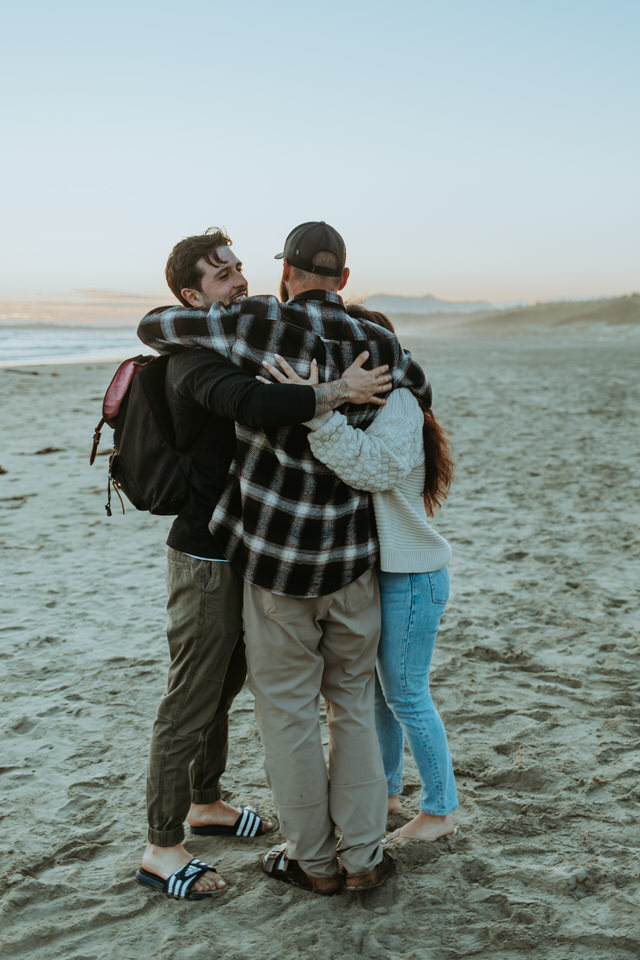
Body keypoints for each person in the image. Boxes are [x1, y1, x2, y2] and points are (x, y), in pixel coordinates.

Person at [137, 221, 431, 893]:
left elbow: (156, 326)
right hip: (346, 561)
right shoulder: (379, 340)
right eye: (222, 273)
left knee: (289, 713)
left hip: (273, 567)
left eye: (242, 271)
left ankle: (311, 859)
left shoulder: (255, 326)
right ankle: (361, 858)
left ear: (284, 275)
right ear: (345, 279)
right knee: (350, 704)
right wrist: (347, 392)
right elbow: (417, 391)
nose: (237, 280)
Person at [262, 304, 458, 843]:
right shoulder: (376, 404)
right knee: (378, 695)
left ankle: (440, 811)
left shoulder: (399, 402)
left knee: (407, 695)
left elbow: (373, 468)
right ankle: (389, 792)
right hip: (386, 576)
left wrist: (318, 413)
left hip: (412, 577)